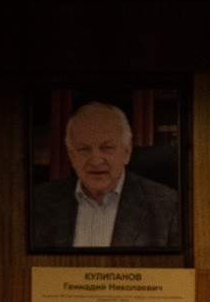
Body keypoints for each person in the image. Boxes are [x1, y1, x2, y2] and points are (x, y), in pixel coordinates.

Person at [29, 102, 180, 250]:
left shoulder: (168, 207)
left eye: (106, 148)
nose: (95, 161)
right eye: (84, 149)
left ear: (126, 152)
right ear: (71, 156)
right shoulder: (38, 202)